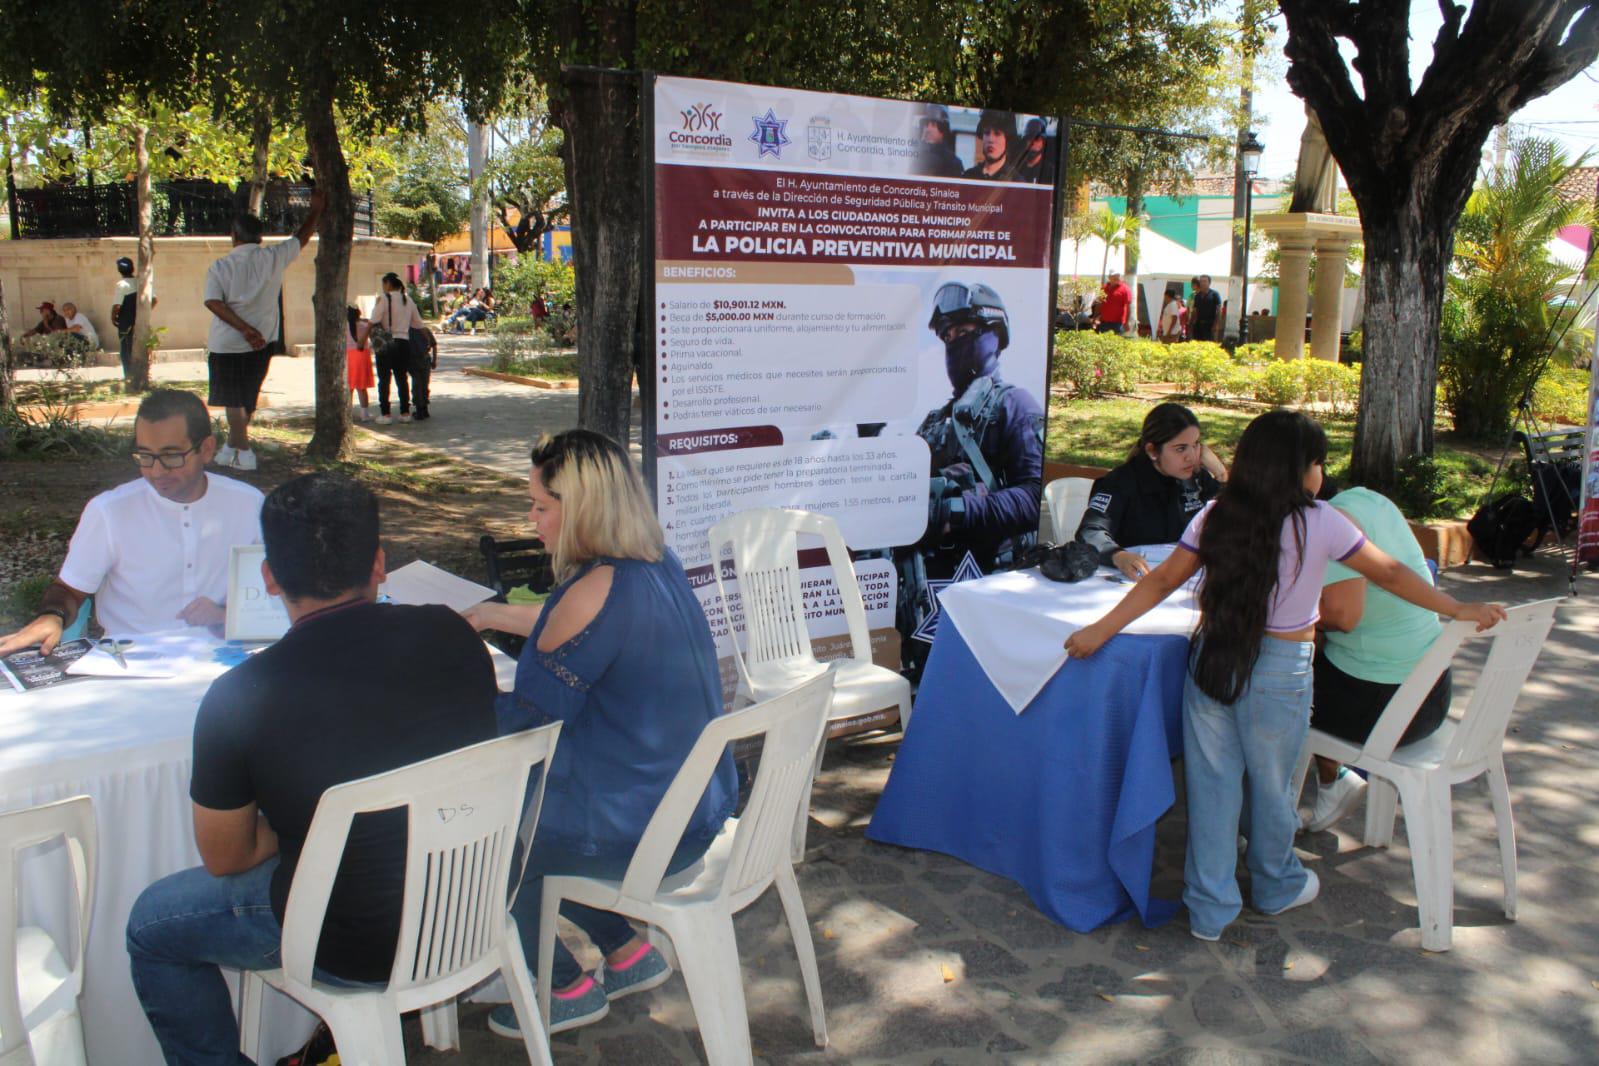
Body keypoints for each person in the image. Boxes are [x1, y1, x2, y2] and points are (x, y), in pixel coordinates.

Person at [1064, 409, 1505, 942]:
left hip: (1210, 660)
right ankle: (1275, 885)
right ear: (1301, 470)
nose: (1322, 474)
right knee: (1273, 788)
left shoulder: (1214, 514)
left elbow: (1160, 585)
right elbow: (1389, 571)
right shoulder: (1321, 520)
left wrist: (1100, 630)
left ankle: (1209, 907)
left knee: (1212, 787)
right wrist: (1454, 606)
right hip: (1280, 670)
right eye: (1318, 462)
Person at [125, 473, 498, 1060]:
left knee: (150, 925)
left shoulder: (240, 695)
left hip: (348, 942)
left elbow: (226, 857)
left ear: (268, 578)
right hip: (469, 906)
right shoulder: (452, 633)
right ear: (379, 564)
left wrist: (310, 821)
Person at [459, 430, 736, 1038]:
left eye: (540, 506)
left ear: (580, 508)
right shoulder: (650, 561)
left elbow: (523, 733)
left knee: (491, 836)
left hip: (643, 834)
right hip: (691, 808)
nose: (531, 518)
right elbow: (574, 621)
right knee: (541, 813)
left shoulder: (592, 589)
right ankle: (626, 949)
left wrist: (463, 670)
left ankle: (561, 987)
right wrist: (485, 617)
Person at [0, 390, 262, 656]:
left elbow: (275, 592)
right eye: (145, 456)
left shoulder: (249, 504)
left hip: (228, 659)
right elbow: (69, 589)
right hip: (131, 663)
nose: (157, 471)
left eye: (171, 456)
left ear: (206, 449)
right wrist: (52, 616)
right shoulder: (110, 511)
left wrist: (224, 614)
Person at [897, 281, 1044, 674]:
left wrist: (959, 509)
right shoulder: (935, 422)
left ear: (994, 335)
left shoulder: (1014, 405)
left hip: (990, 584)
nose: (953, 343)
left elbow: (1033, 499)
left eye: (963, 333)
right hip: (929, 592)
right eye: (947, 336)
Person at [1303, 485, 1454, 831]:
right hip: (1433, 694)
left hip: (1387, 709)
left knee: (1277, 686)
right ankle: (1328, 780)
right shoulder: (1369, 499)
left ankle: (1315, 788)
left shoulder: (1330, 521)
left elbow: (1342, 616)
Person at [203, 188, 326, 471]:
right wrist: (316, 210)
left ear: (234, 236)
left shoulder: (220, 267)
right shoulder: (273, 258)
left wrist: (244, 329)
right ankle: (232, 447)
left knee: (233, 398)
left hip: (227, 343)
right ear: (259, 237)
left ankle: (242, 449)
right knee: (247, 396)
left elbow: (213, 302)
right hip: (263, 341)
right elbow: (301, 238)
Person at [1076, 402, 1227, 580]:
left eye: (1195, 445)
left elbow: (1231, 521)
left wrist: (1221, 475)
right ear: (1152, 451)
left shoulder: (1195, 478)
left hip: (1186, 578)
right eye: (1180, 449)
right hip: (1134, 579)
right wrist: (1118, 556)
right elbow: (1090, 531)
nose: (1192, 456)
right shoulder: (1121, 481)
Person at [370, 272, 430, 423]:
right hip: (404, 343)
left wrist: (362, 340)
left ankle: (385, 413)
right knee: (402, 378)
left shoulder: (383, 299)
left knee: (384, 379)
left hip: (387, 342)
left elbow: (373, 320)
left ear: (388, 284)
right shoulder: (408, 300)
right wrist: (427, 340)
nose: (383, 288)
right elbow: (418, 324)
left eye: (384, 285)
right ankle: (405, 412)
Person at [111, 256, 158, 378]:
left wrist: (113, 317)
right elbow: (154, 300)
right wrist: (144, 313)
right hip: (141, 321)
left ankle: (130, 376)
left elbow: (117, 306)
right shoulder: (142, 282)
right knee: (142, 346)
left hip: (126, 322)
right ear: (132, 268)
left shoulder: (122, 284)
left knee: (126, 349)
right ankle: (143, 375)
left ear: (119, 270)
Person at [914, 104, 964, 178]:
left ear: (943, 130)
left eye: (933, 125)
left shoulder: (953, 162)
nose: (928, 129)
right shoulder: (913, 157)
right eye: (926, 125)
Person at [963, 110, 1015, 180]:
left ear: (1008, 139)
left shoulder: (1017, 182)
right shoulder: (968, 176)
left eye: (997, 134)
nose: (990, 139)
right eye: (987, 133)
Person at [345, 304, 374, 422]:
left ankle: (348, 414)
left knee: (349, 387)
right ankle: (365, 415)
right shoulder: (364, 325)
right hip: (362, 355)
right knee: (362, 387)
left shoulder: (345, 326)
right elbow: (371, 322)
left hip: (349, 355)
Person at [1188, 274, 1221, 342]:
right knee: (1197, 344)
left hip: (1210, 325)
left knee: (1209, 345)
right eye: (1201, 281)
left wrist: (1216, 324)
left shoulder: (1215, 294)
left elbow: (1218, 310)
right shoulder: (1197, 295)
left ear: (1209, 283)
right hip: (1198, 325)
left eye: (1205, 281)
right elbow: (1194, 311)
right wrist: (1190, 324)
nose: (1203, 283)